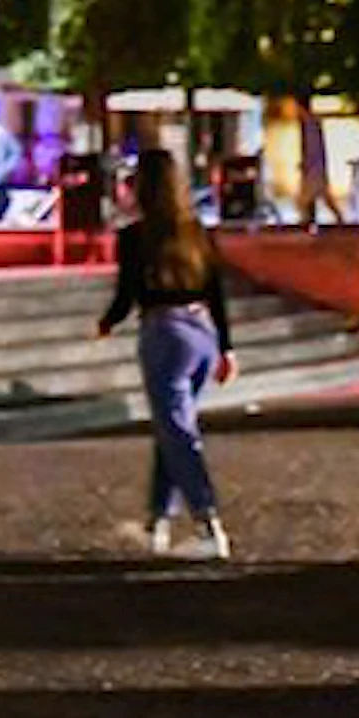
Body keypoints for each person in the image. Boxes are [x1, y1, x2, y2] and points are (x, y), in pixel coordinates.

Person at [98, 149, 240, 561]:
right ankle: (157, 521)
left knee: (177, 431)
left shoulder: (135, 236)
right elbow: (217, 291)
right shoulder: (198, 232)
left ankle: (207, 522)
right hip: (202, 333)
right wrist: (227, 347)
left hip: (164, 332)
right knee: (173, 427)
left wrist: (106, 322)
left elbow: (127, 295)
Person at [297, 94, 346, 233]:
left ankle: (307, 222)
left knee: (306, 199)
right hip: (317, 168)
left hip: (314, 169)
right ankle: (336, 220)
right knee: (322, 197)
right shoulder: (312, 123)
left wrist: (306, 164)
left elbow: (312, 148)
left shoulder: (309, 125)